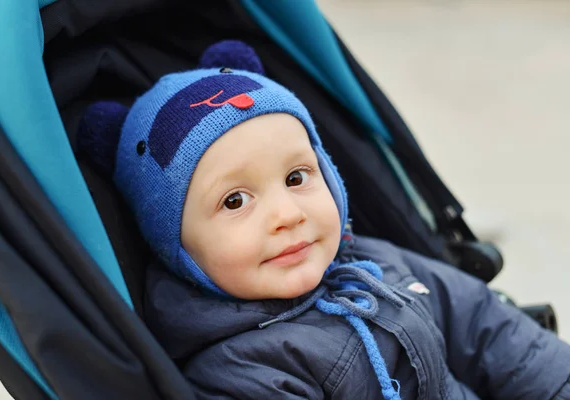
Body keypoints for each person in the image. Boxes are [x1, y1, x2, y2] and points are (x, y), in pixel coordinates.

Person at [78, 40, 570, 399]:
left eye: (296, 178)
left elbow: (492, 334)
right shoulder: (239, 370)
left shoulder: (378, 267)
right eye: (234, 201)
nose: (287, 215)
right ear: (174, 244)